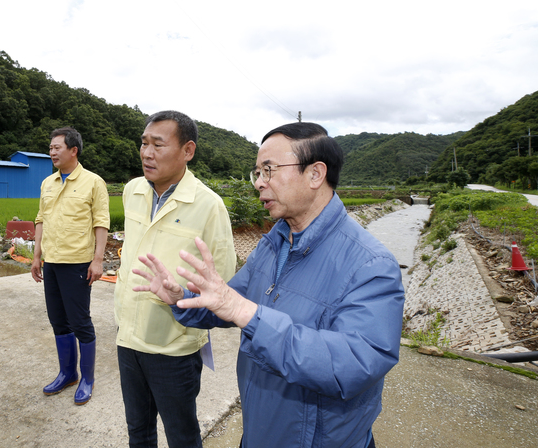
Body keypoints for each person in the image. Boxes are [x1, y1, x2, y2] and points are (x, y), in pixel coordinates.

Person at [132, 122, 404, 448]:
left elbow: (354, 365)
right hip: (258, 432)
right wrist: (181, 298)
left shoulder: (371, 266)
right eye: (257, 172)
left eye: (269, 170)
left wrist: (248, 314)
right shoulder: (272, 244)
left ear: (315, 174)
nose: (259, 182)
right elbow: (229, 302)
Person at [114, 110, 236, 447]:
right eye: (143, 144)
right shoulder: (133, 191)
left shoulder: (209, 206)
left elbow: (223, 286)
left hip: (175, 347)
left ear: (187, 151)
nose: (146, 153)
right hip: (129, 339)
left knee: (182, 435)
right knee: (138, 431)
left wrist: (180, 293)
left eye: (157, 144)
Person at [31, 127, 109, 405]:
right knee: (58, 321)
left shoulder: (93, 182)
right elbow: (40, 219)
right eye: (50, 148)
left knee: (80, 322)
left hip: (77, 263)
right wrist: (36, 255)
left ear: (73, 150)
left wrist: (98, 260)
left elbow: (101, 222)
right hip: (51, 262)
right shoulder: (47, 183)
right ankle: (68, 374)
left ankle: (87, 378)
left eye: (57, 147)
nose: (52, 152)